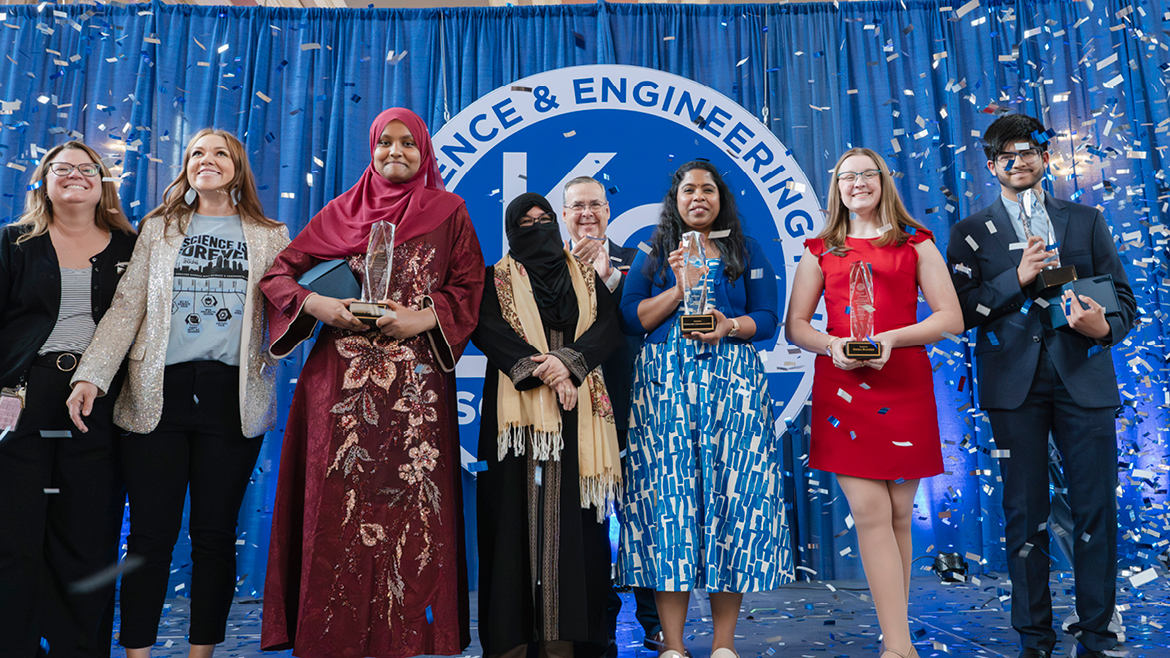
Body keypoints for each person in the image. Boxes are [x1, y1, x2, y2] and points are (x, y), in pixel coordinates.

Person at [259, 107, 484, 657]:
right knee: (339, 503)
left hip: (414, 388)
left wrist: (422, 319)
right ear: (372, 148)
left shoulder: (449, 211)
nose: (396, 152)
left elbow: (470, 284)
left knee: (411, 503)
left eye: (408, 143)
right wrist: (320, 305)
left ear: (424, 151)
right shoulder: (340, 211)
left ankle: (405, 636)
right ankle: (332, 636)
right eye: (386, 142)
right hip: (340, 386)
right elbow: (278, 276)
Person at [66, 129, 289, 658]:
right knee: (149, 536)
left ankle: (201, 652)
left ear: (237, 167)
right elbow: (128, 306)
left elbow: (289, 306)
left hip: (232, 398)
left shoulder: (271, 234)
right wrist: (91, 375)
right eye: (196, 154)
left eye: (219, 153)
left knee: (215, 536)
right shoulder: (161, 227)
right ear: (186, 167)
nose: (206, 160)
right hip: (156, 392)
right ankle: (138, 652)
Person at [946, 114, 1136, 658]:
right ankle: (1034, 637)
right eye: (1007, 156)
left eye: (1028, 152)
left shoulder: (1085, 220)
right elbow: (960, 312)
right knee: (1024, 513)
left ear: (1044, 158)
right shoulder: (968, 232)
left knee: (1095, 508)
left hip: (1084, 381)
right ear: (991, 166)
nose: (1019, 162)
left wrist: (1102, 328)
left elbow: (1124, 303)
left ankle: (1097, 631)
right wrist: (1018, 278)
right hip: (1013, 388)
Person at [785, 147, 962, 658]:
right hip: (843, 391)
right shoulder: (819, 249)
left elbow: (949, 318)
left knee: (900, 515)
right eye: (847, 176)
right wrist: (831, 345)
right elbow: (797, 326)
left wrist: (891, 338)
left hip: (903, 383)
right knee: (869, 511)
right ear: (836, 187)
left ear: (884, 181)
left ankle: (896, 636)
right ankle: (899, 646)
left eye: (867, 174)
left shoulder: (916, 244)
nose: (858, 183)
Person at [616, 161, 793, 658]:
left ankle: (723, 645)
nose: (698, 197)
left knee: (730, 504)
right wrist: (678, 286)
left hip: (734, 387)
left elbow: (768, 319)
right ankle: (672, 645)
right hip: (664, 390)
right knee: (668, 507)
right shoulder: (653, 251)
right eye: (689, 190)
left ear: (721, 198)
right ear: (675, 200)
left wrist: (727, 326)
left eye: (708, 189)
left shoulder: (746, 249)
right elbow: (631, 318)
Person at [0, 141, 136, 658]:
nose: (75, 175)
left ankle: (78, 648)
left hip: (98, 398)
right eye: (62, 168)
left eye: (87, 168)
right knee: (13, 533)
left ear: (103, 183)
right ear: (44, 180)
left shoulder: (131, 246)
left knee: (88, 535)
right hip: (21, 396)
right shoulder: (13, 242)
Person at [473, 192, 623, 658]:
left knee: (577, 528)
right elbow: (488, 330)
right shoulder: (493, 280)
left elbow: (607, 329)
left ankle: (569, 641)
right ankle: (513, 641)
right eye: (525, 222)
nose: (537, 228)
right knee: (511, 523)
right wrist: (548, 372)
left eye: (545, 220)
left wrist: (568, 363)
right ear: (510, 230)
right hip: (516, 420)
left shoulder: (585, 277)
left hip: (578, 414)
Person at [560, 176, 663, 653]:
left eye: (595, 205)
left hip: (632, 406)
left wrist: (611, 282)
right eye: (577, 206)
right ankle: (596, 620)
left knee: (642, 517)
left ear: (608, 211)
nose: (587, 213)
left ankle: (655, 623)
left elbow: (644, 323)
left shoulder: (639, 263)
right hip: (571, 410)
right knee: (586, 523)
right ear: (564, 214)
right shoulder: (546, 265)